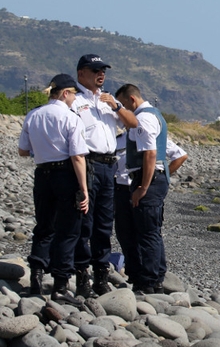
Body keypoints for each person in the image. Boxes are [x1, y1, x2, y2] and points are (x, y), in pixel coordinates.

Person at [18, 74, 90, 297]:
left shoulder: (33, 114)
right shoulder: (71, 118)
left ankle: (36, 276)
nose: (74, 99)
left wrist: (42, 149)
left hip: (43, 173)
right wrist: (84, 189)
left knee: (44, 226)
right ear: (66, 93)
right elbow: (78, 156)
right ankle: (60, 283)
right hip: (65, 174)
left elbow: (22, 150)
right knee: (68, 230)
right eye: (74, 94)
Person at [72, 54, 137, 297]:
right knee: (84, 222)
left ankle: (100, 276)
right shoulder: (75, 100)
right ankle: (81, 278)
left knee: (103, 224)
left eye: (103, 70)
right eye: (95, 70)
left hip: (109, 166)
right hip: (87, 164)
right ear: (82, 74)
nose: (101, 74)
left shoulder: (107, 100)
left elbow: (132, 124)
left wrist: (117, 106)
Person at [115, 83, 170, 294]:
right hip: (149, 176)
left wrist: (143, 187)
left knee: (147, 232)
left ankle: (149, 281)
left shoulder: (145, 118)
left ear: (131, 101)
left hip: (148, 178)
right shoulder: (151, 115)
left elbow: (150, 154)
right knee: (149, 230)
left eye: (123, 106)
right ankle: (154, 277)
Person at [113, 132, 187, 292]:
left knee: (148, 233)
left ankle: (154, 278)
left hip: (141, 188)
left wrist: (160, 177)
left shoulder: (148, 134)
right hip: (120, 189)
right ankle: (135, 276)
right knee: (124, 234)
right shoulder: (115, 138)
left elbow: (180, 156)